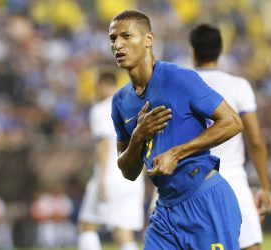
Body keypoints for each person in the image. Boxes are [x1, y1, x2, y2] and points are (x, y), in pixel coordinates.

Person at [109, 10, 244, 249]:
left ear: (149, 39)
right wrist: (138, 137)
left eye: (126, 36)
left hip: (204, 199)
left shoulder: (178, 78)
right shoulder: (120, 102)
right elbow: (128, 171)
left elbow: (232, 121)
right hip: (166, 210)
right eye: (113, 39)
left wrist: (177, 153)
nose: (118, 44)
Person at [189, 24, 271, 250]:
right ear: (220, 50)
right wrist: (265, 186)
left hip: (192, 183)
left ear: (192, 51)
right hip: (233, 179)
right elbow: (255, 140)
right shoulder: (238, 86)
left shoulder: (181, 85)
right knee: (250, 246)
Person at [77, 69, 144, 250]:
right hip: (133, 178)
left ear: (104, 85)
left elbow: (105, 144)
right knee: (124, 231)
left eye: (97, 86)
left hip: (111, 176)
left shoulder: (101, 108)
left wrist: (101, 180)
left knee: (87, 225)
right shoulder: (133, 107)